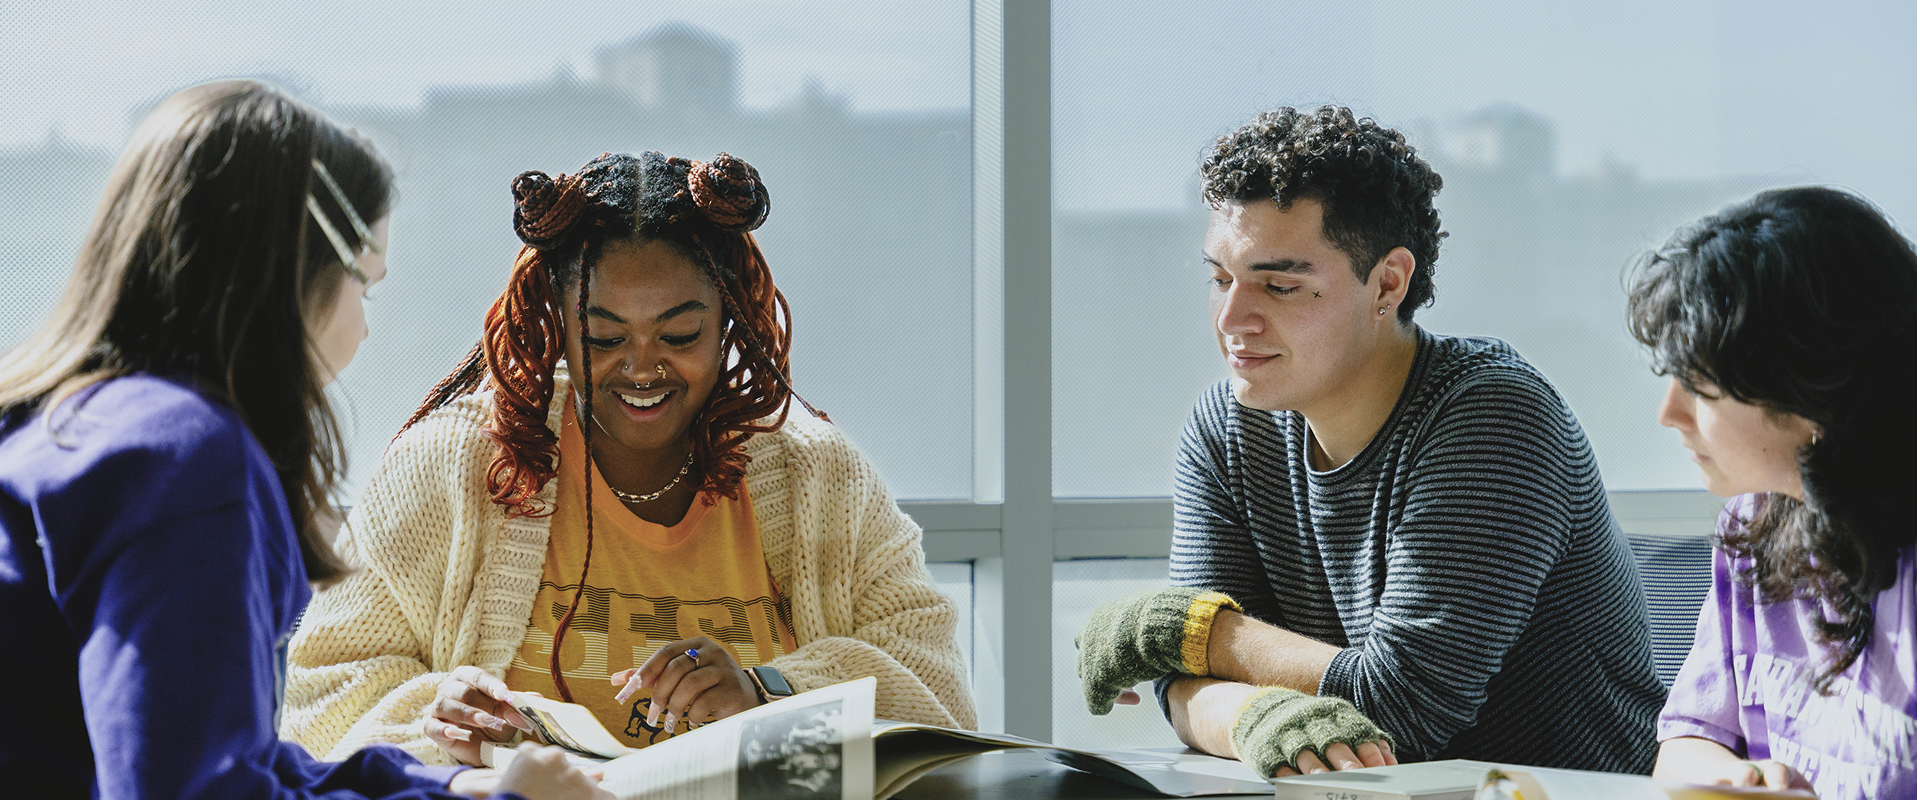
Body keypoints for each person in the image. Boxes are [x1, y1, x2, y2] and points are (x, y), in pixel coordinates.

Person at [0, 80, 604, 799]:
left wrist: (441, 790)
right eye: (365, 287)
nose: (365, 329)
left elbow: (221, 755)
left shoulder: (54, 426)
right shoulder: (185, 462)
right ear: (293, 271)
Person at [281, 150, 973, 767]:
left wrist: (771, 692)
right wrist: (435, 725)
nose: (642, 368)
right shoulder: (448, 469)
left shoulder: (820, 479)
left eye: (680, 333)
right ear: (555, 320)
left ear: (730, 318)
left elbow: (939, 697)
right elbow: (321, 703)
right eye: (602, 336)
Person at [1074, 105, 1668, 778]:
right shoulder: (1229, 426)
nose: (1232, 318)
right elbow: (1180, 687)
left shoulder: (1493, 415)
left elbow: (1405, 709)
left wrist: (1196, 630)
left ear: (1388, 282)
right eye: (1219, 278)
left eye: (1279, 285)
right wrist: (1254, 715)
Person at [1632, 187, 1916, 798]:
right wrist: (1734, 779)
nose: (1668, 413)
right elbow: (1685, 744)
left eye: (1700, 388)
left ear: (1810, 389)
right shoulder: (1752, 525)